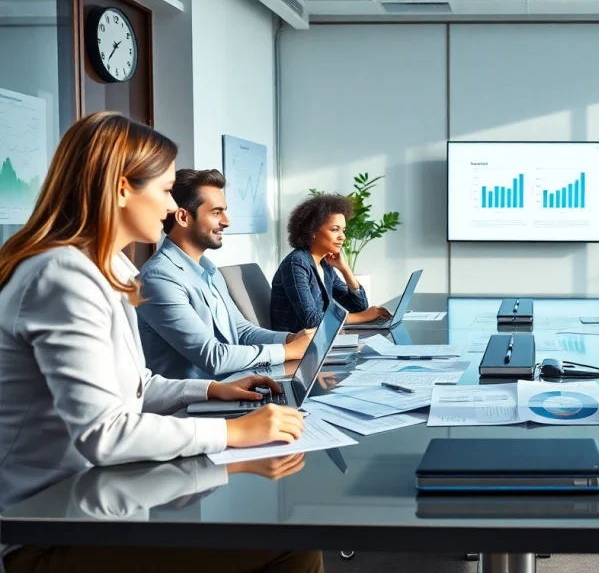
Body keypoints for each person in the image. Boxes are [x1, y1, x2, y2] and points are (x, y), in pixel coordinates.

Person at [0, 112, 321, 573]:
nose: (173, 207)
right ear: (122, 188)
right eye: (167, 190)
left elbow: (135, 386)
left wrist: (212, 390)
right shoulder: (62, 276)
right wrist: (233, 432)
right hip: (46, 529)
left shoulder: (106, 271)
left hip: (96, 500)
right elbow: (103, 432)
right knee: (290, 546)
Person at [136, 168, 314, 379]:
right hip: (192, 405)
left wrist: (291, 339)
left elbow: (241, 332)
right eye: (216, 212)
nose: (226, 221)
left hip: (232, 386)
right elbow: (213, 357)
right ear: (183, 217)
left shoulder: (208, 269)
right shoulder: (159, 279)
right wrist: (287, 352)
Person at [270, 193, 391, 333]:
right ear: (312, 231)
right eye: (335, 230)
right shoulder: (296, 263)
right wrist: (363, 317)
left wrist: (345, 269)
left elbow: (359, 307)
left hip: (321, 338)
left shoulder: (325, 265)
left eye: (343, 230)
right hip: (298, 344)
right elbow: (312, 319)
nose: (342, 237)